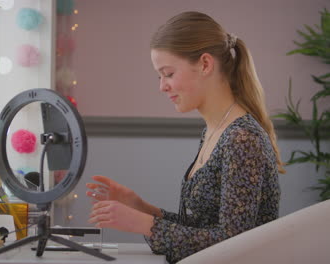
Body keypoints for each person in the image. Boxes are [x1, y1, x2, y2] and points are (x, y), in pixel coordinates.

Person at [86, 11, 284, 263]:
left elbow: (234, 244)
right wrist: (139, 206)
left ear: (204, 64)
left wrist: (145, 224)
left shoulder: (242, 139)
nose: (162, 86)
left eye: (168, 73)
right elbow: (200, 228)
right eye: (160, 76)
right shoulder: (215, 131)